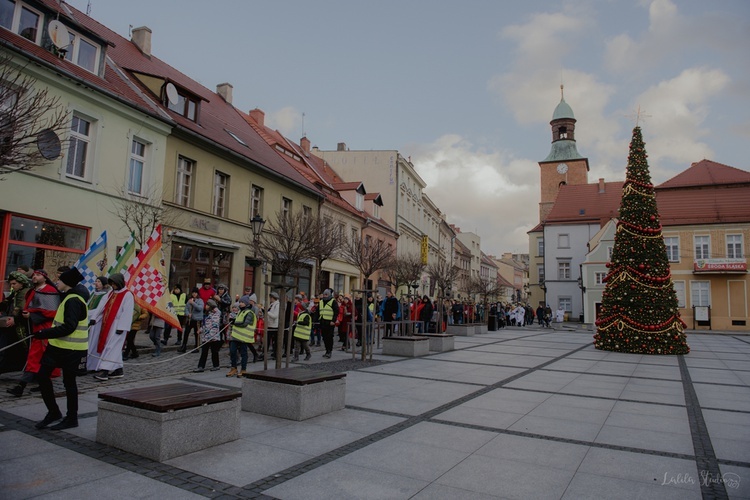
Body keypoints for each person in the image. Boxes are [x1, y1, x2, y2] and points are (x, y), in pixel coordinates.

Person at [34, 267, 89, 430]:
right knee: (43, 376)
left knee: (69, 383)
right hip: (58, 346)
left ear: (67, 283)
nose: (56, 281)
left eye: (60, 280)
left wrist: (44, 333)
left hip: (72, 348)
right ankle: (54, 412)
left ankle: (72, 418)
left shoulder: (73, 300)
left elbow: (69, 327)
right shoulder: (69, 297)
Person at [7, 270, 61, 396]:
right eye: (34, 275)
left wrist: (32, 315)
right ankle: (42, 384)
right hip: (35, 326)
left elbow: (52, 312)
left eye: (38, 275)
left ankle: (21, 387)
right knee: (38, 358)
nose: (34, 277)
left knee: (36, 357)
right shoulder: (33, 290)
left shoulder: (50, 291)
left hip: (45, 328)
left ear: (45, 277)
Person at [90, 273, 134, 381]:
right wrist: (94, 318)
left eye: (114, 284)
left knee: (112, 347)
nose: (113, 286)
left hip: (118, 325)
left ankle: (104, 370)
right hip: (107, 323)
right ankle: (118, 370)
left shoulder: (127, 295)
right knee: (112, 347)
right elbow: (102, 306)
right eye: (112, 284)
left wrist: (122, 326)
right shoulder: (110, 293)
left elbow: (127, 312)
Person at [1, 272, 31, 380]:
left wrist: (14, 318)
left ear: (21, 283)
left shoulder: (24, 293)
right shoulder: (16, 292)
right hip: (12, 324)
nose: (12, 286)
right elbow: (6, 303)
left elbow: (21, 309)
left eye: (14, 284)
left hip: (20, 327)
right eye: (11, 284)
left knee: (21, 348)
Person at [226, 295, 258, 377]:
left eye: (242, 302)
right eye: (240, 302)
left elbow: (244, 324)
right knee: (232, 352)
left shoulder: (250, 313)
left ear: (246, 303)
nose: (240, 304)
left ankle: (243, 369)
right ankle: (234, 368)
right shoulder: (240, 311)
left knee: (243, 353)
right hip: (235, 336)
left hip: (244, 337)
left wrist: (234, 322)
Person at [193, 299, 221, 372]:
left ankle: (216, 365)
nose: (206, 306)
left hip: (213, 337)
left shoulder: (216, 314)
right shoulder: (207, 314)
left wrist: (211, 336)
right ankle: (201, 366)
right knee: (204, 352)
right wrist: (201, 330)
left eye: (207, 305)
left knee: (214, 352)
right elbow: (205, 325)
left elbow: (215, 325)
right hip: (206, 337)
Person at [178, 288, 204, 352]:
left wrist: (193, 303)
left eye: (195, 293)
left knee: (196, 333)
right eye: (193, 293)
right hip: (190, 319)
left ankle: (197, 347)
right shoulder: (189, 300)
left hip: (197, 319)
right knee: (186, 332)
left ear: (197, 293)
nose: (194, 294)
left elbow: (200, 308)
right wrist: (187, 314)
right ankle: (184, 346)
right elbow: (186, 308)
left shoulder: (200, 301)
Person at [318, 289, 338, 358]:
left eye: (326, 294)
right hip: (323, 322)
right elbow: (318, 311)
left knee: (329, 337)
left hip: (330, 322)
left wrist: (333, 320)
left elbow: (336, 312)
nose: (325, 296)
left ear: (329, 295)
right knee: (324, 337)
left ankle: (329, 351)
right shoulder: (321, 302)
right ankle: (327, 350)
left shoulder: (333, 302)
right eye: (324, 294)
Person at [265, 292, 279, 357]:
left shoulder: (277, 305)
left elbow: (275, 315)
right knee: (267, 340)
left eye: (270, 297)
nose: (270, 299)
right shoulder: (271, 305)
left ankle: (275, 353)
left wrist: (267, 312)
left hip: (274, 325)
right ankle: (265, 352)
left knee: (274, 341)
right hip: (270, 324)